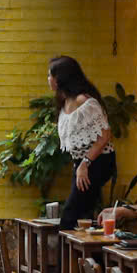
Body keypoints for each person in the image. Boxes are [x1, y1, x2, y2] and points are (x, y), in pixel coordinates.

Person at [48, 56, 113, 229]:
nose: (48, 80)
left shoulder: (84, 101)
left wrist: (85, 163)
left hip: (98, 161)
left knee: (70, 215)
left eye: (50, 75)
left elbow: (105, 135)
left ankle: (66, 256)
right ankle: (92, 256)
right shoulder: (65, 102)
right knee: (82, 217)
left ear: (61, 78)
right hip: (81, 164)